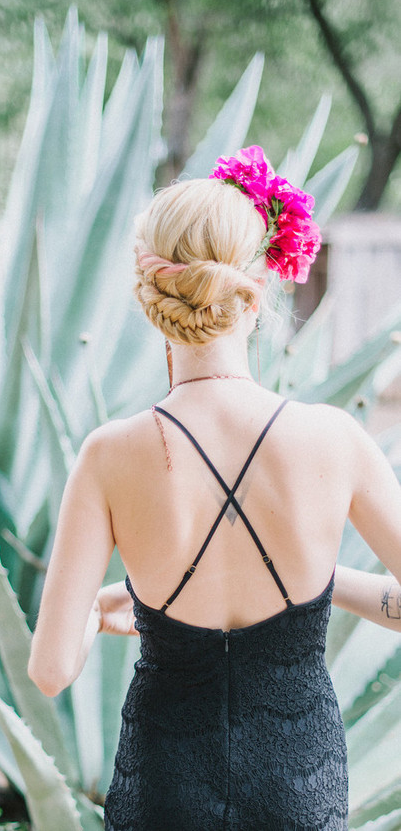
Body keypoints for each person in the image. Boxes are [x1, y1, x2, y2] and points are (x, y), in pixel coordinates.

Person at [28, 146, 401, 830]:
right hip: (299, 791)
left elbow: (51, 669)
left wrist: (124, 604)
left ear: (151, 298)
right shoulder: (333, 439)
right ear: (258, 288)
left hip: (164, 790)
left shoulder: (109, 454)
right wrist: (325, 583)